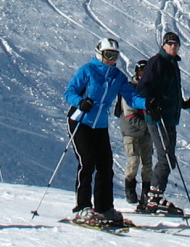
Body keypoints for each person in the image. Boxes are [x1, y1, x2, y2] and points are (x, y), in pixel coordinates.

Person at [62, 37, 147, 227]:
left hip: (99, 125)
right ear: (99, 54)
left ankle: (104, 207)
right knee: (87, 161)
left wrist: (148, 104)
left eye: (115, 55)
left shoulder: (117, 76)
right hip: (80, 120)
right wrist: (80, 102)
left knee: (106, 165)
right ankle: (82, 207)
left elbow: (131, 97)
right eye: (108, 55)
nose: (111, 59)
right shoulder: (88, 71)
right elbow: (70, 92)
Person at [139, 31, 190, 216]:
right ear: (164, 45)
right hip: (157, 118)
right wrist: (151, 104)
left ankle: (150, 197)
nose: (173, 47)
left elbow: (169, 93)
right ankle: (153, 199)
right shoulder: (157, 62)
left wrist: (184, 104)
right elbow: (143, 88)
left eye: (176, 44)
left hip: (169, 118)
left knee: (169, 158)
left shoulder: (172, 65)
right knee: (165, 157)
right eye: (170, 43)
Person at [118, 59, 154, 209]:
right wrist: (149, 126)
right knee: (133, 160)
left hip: (146, 132)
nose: (142, 76)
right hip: (131, 131)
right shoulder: (130, 88)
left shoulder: (151, 89)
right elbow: (129, 114)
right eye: (140, 72)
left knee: (147, 163)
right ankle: (130, 189)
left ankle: (146, 193)